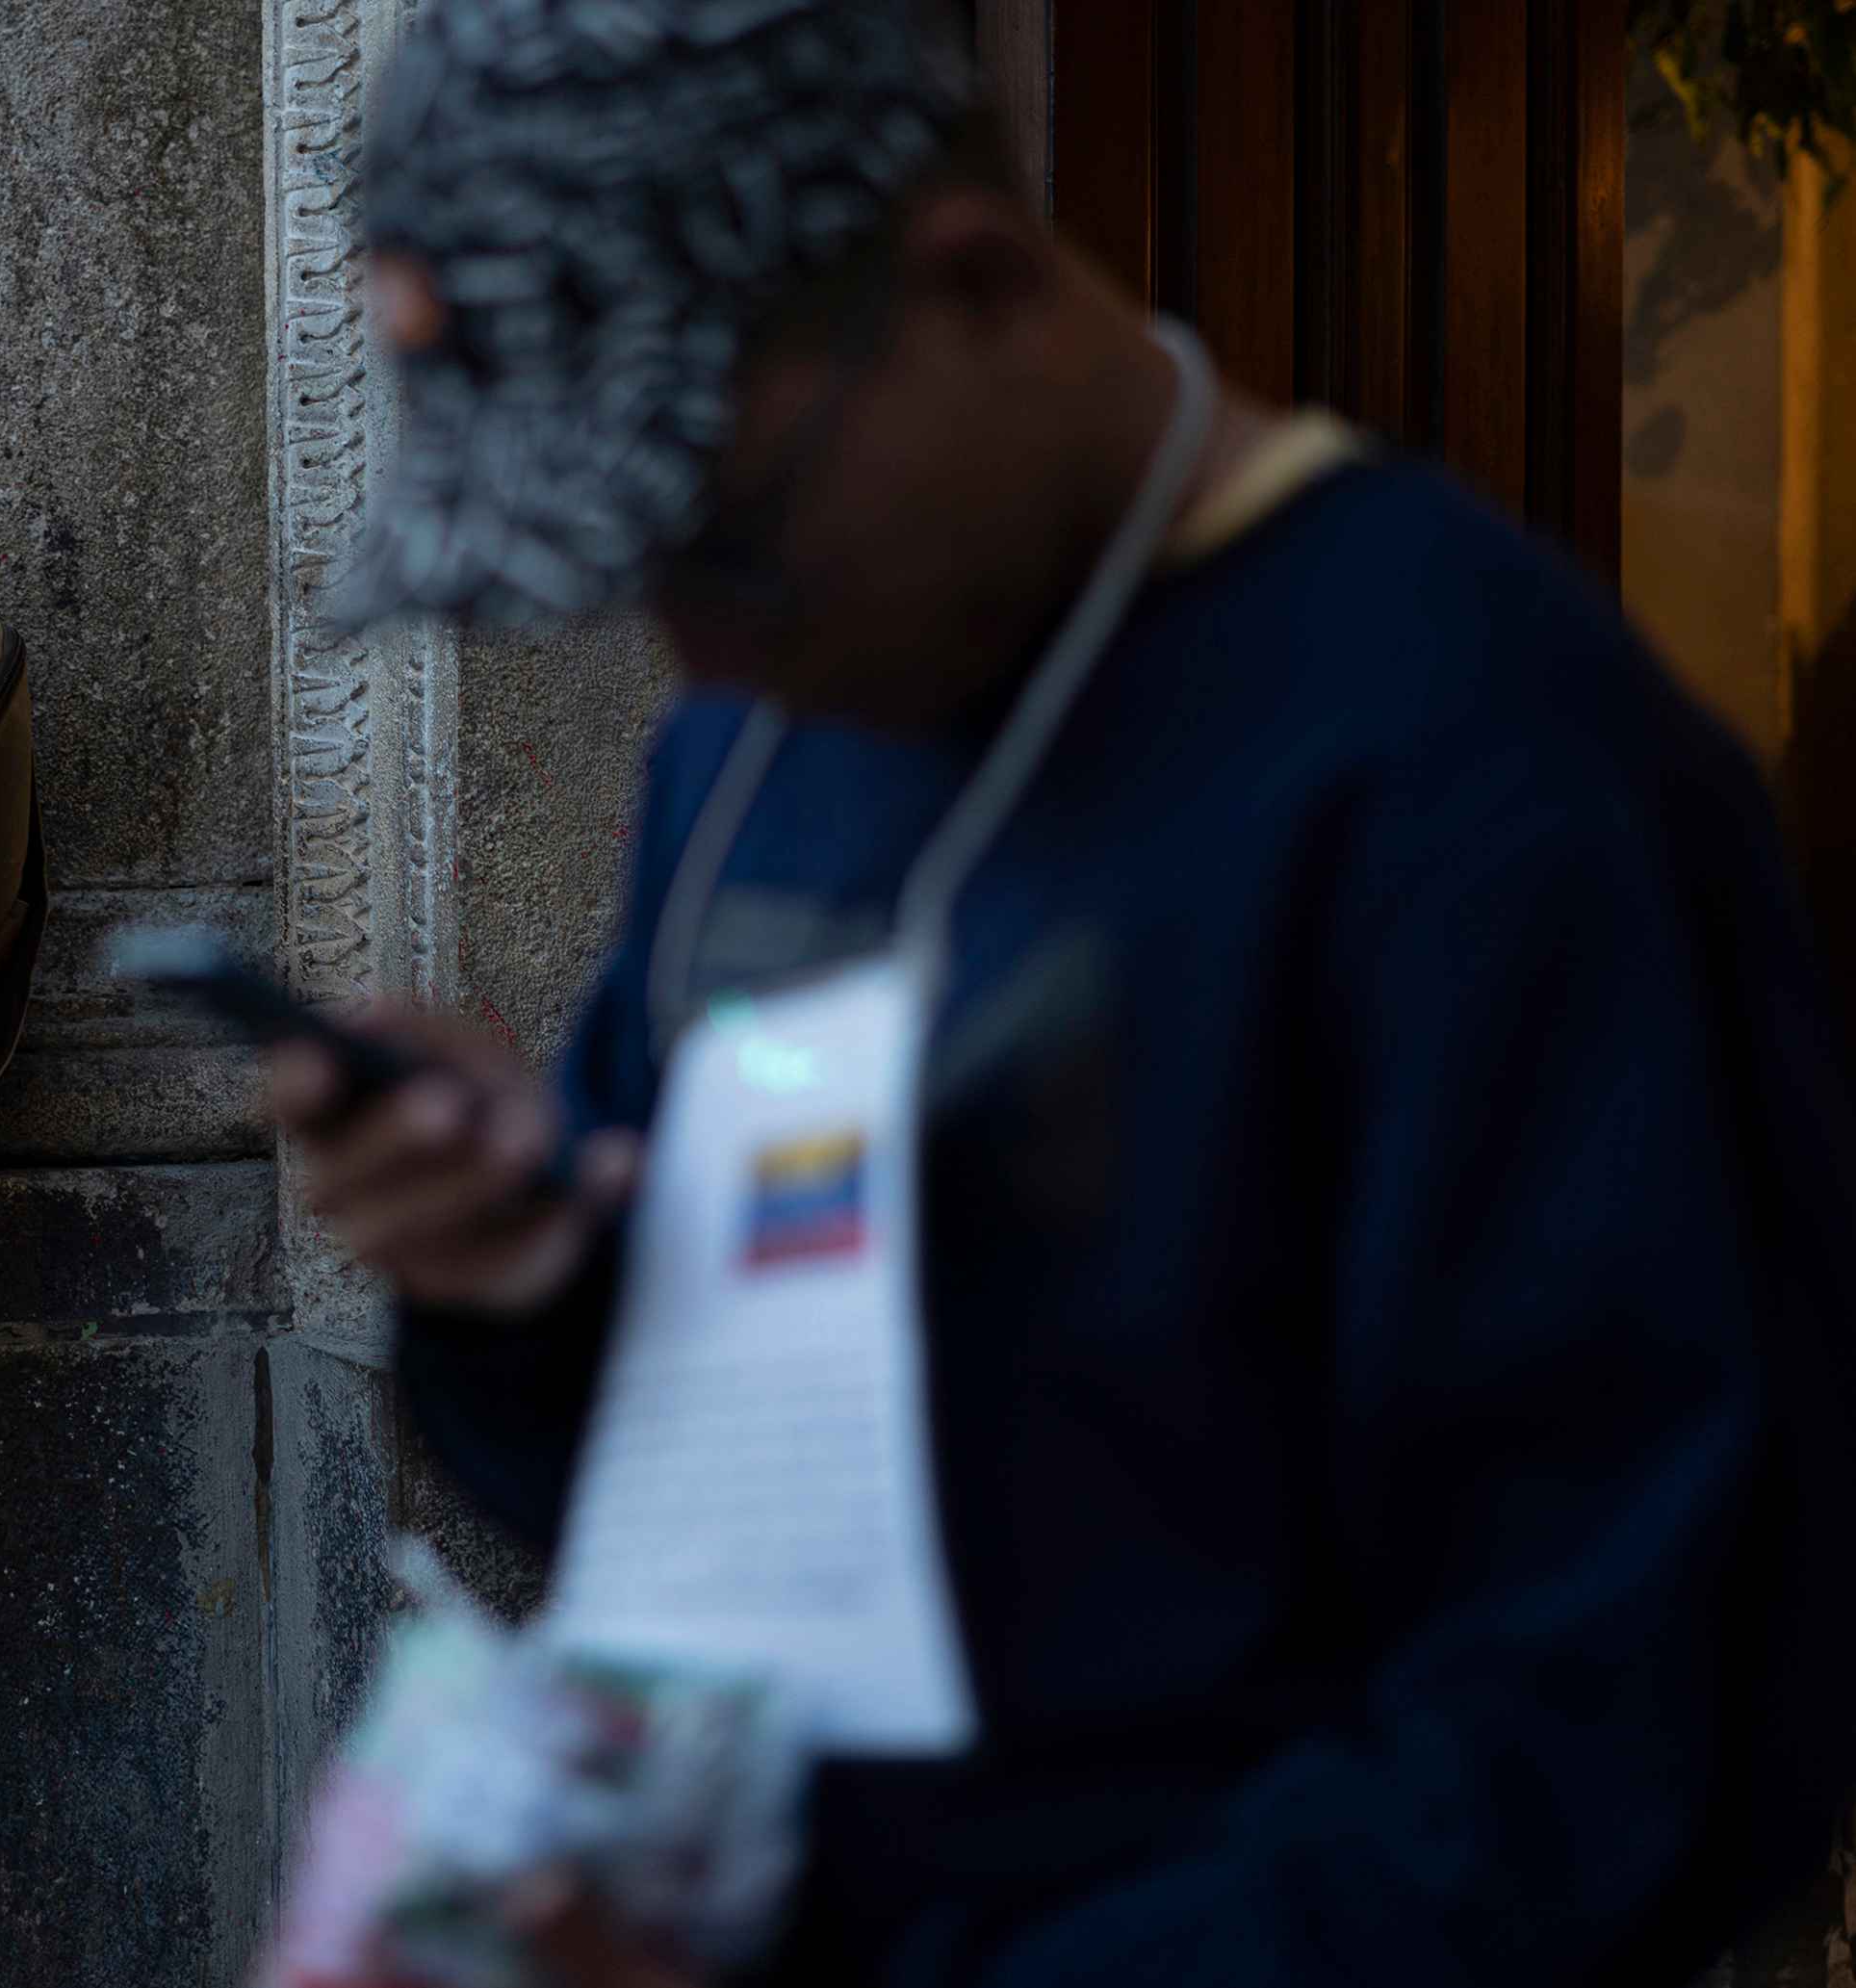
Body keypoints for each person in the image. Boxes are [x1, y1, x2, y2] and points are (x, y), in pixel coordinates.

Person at [267, 3, 1856, 1985]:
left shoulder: (1481, 768)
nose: (687, 641)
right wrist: (516, 1284)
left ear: (974, 282)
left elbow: (1627, 1736)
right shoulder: (761, 740)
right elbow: (722, 1467)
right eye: (613, 566)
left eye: (724, 538)